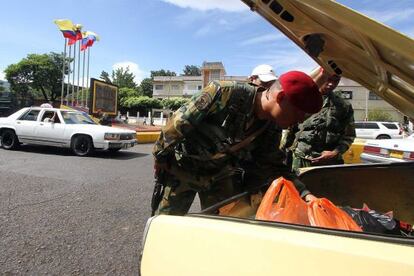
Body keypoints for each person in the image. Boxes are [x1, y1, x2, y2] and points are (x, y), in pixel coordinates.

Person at [152, 70, 323, 215]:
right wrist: (160, 156)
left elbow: (271, 164)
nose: (300, 120)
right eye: (299, 113)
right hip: (183, 169)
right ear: (280, 97)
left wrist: (305, 193)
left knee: (223, 229)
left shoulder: (272, 127)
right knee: (165, 221)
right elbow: (178, 124)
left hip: (220, 176)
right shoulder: (226, 92)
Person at [284, 68, 356, 173]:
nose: (331, 84)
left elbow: (349, 136)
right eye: (329, 79)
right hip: (300, 161)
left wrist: (335, 152)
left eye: (336, 81)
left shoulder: (343, 106)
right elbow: (288, 128)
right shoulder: (303, 99)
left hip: (329, 164)